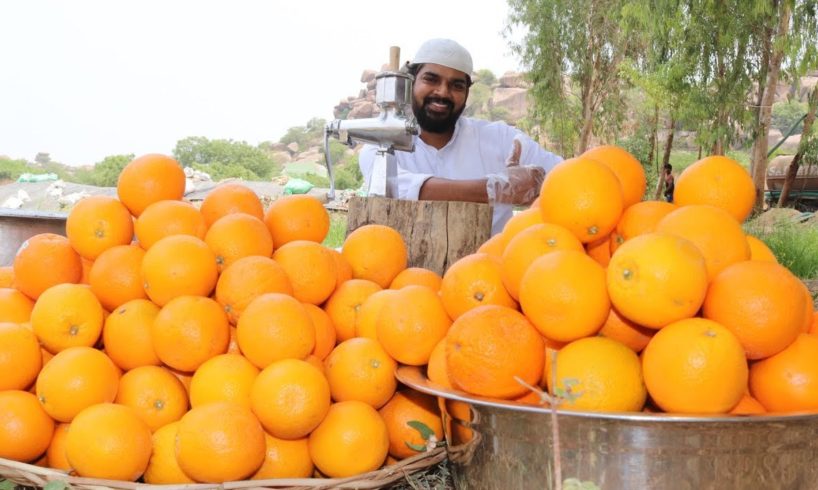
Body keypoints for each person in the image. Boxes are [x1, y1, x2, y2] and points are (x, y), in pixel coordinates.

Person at [358, 38, 563, 235]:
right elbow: (397, 188)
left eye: (456, 85)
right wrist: (497, 189)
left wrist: (534, 181)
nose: (443, 92)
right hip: (403, 268)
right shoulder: (382, 145)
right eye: (431, 79)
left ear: (466, 93)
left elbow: (567, 177)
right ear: (411, 83)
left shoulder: (502, 139)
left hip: (490, 268)